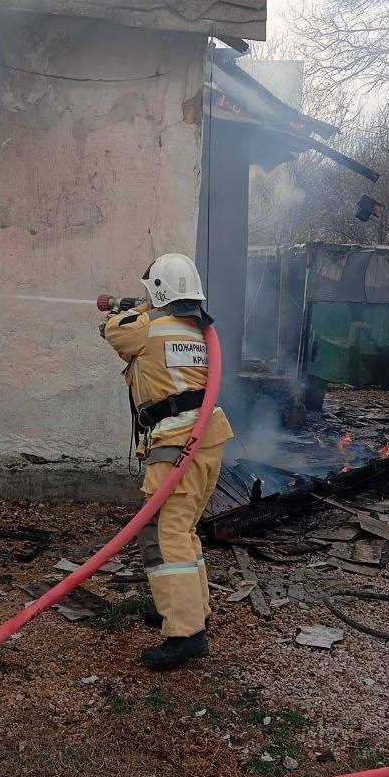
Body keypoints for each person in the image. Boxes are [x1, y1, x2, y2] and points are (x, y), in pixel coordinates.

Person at [101, 253, 232, 668]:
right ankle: (188, 610)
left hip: (178, 442)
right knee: (184, 528)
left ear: (158, 292)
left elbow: (113, 333)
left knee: (164, 532)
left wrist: (131, 308)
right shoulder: (198, 332)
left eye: (148, 292)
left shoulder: (147, 328)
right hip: (207, 437)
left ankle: (185, 634)